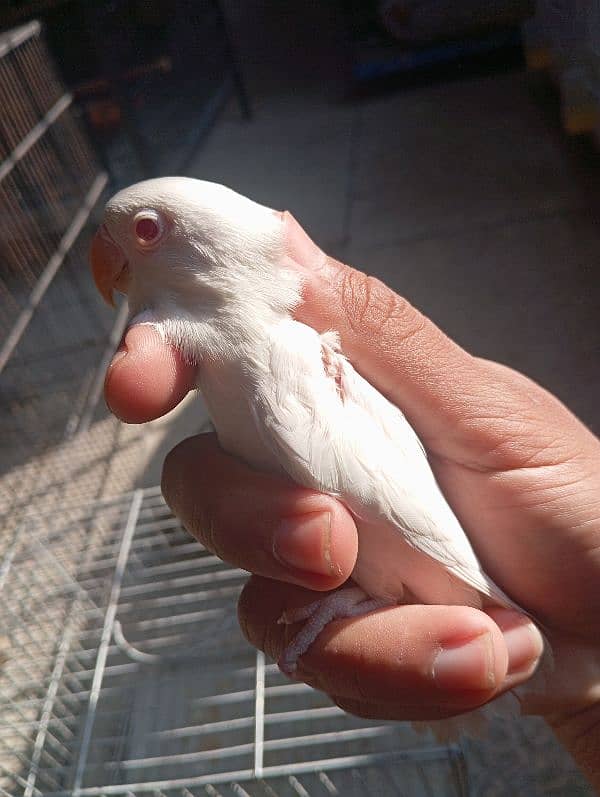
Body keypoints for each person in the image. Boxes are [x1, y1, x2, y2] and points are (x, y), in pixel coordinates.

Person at [104, 211, 600, 790]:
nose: (108, 251)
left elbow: (392, 510)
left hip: (458, 582)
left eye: (144, 229)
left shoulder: (281, 353)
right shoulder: (225, 356)